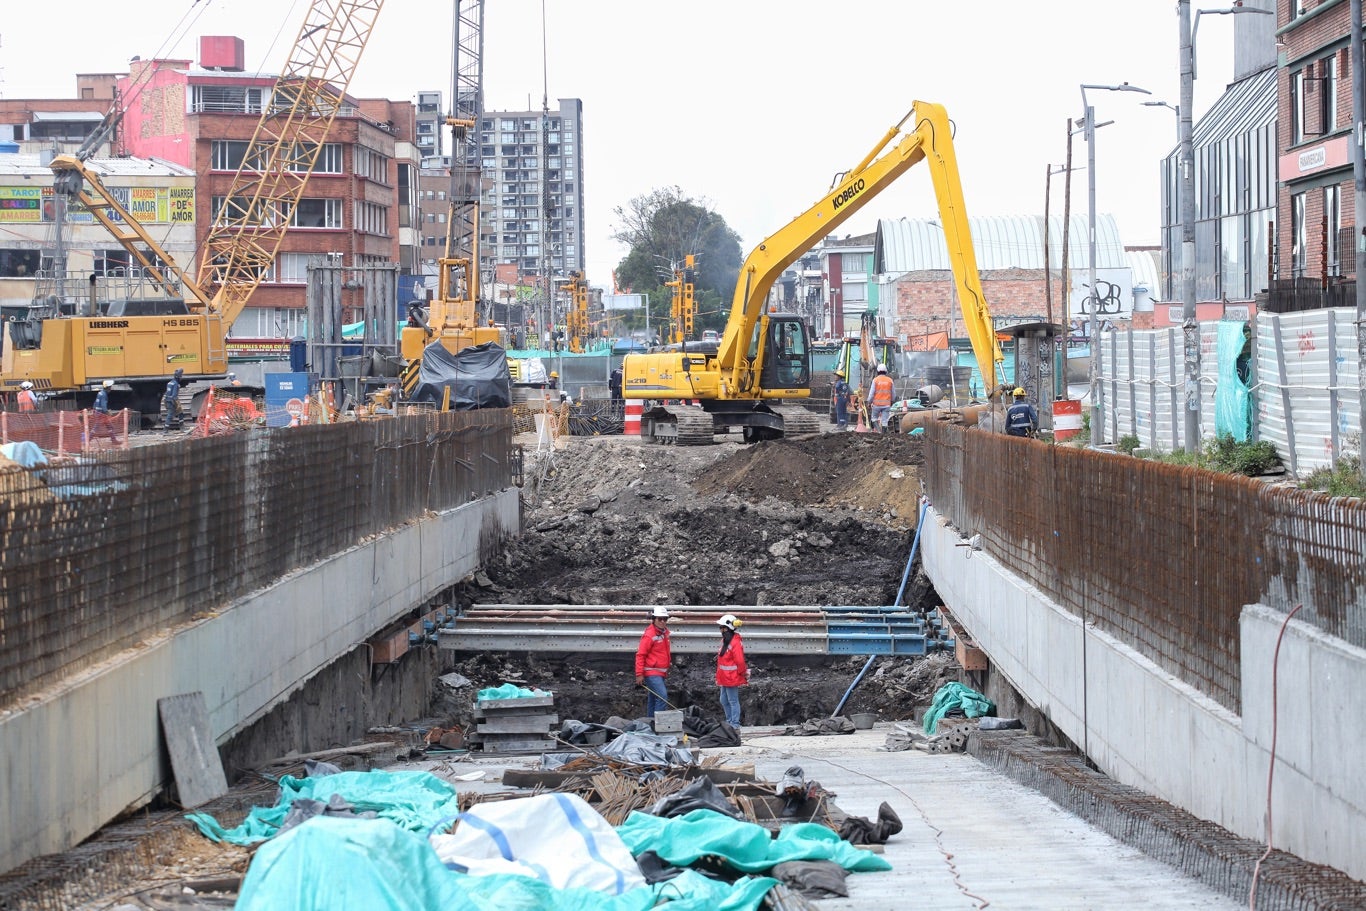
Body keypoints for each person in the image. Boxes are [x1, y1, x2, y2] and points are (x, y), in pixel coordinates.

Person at [634, 606, 672, 719]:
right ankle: (658, 725)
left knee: (653, 698)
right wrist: (639, 674)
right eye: (660, 619)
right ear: (654, 619)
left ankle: (650, 722)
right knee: (662, 696)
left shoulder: (664, 633)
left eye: (665, 619)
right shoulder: (650, 635)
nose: (662, 621)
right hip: (651, 672)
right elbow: (641, 654)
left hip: (659, 673)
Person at [715, 613, 749, 728]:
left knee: (733, 700)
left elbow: (740, 661)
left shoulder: (735, 642)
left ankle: (734, 724)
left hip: (731, 677)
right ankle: (730, 721)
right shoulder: (725, 641)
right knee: (723, 700)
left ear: (727, 628)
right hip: (724, 677)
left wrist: (743, 673)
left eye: (722, 627)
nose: (720, 629)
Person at [868, 363, 895, 432]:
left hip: (876, 404)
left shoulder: (875, 380)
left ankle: (879, 432)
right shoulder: (890, 380)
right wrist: (892, 401)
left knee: (874, 418)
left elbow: (871, 393)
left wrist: (869, 402)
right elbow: (893, 393)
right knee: (884, 421)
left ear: (877, 371)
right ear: (886, 371)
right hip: (886, 405)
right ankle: (883, 434)